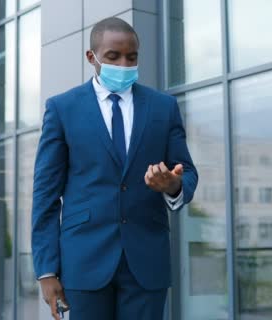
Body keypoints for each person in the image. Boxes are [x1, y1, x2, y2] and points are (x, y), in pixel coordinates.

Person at [31, 17, 198, 320]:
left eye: (131, 57)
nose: (124, 64)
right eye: (113, 56)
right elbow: (45, 195)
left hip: (146, 262)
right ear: (91, 57)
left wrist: (171, 185)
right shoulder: (62, 108)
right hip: (84, 261)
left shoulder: (164, 107)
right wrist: (46, 270)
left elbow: (185, 172)